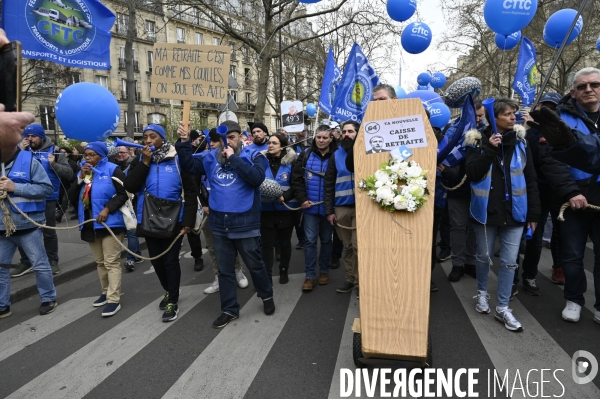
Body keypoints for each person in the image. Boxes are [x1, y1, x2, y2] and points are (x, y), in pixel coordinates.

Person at [175, 120, 274, 329]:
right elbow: (188, 165)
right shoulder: (210, 157)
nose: (226, 142)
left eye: (231, 137)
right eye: (222, 138)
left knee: (255, 265)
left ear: (240, 137)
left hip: (245, 223)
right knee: (225, 270)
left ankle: (266, 296)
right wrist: (183, 142)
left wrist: (235, 160)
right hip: (220, 224)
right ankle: (229, 309)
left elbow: (256, 178)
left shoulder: (254, 156)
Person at [530, 67, 600, 323]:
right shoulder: (559, 118)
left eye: (594, 84)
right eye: (582, 87)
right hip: (573, 198)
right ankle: (573, 299)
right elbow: (551, 160)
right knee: (572, 254)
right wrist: (570, 191)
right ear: (573, 92)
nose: (589, 90)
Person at [465, 97, 540, 332]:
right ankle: (482, 294)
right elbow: (473, 173)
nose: (512, 117)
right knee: (484, 256)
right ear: (494, 117)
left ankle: (503, 307)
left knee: (509, 263)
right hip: (485, 212)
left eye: (513, 114)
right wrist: (489, 149)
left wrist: (534, 213)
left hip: (515, 212)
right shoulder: (476, 141)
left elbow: (531, 179)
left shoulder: (521, 142)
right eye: (507, 114)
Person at [124, 124, 198, 323]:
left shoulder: (177, 158)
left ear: (162, 138)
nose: (148, 140)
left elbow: (191, 191)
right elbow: (130, 186)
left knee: (170, 261)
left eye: (153, 136)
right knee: (156, 261)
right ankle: (168, 290)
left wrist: (188, 220)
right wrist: (144, 163)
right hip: (148, 217)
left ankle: (173, 300)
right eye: (145, 137)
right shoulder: (141, 159)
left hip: (173, 217)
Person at [0, 114, 57, 319]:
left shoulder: (29, 160)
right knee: (1, 269)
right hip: (2, 228)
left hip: (27, 225)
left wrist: (15, 187)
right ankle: (2, 305)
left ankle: (48, 297)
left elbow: (46, 188)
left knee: (40, 265)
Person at [10, 124, 73, 277]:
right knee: (22, 230)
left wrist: (55, 164)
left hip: (47, 198)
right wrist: (19, 152)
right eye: (28, 136)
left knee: (48, 231)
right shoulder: (20, 150)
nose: (29, 139)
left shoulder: (56, 151)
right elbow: (10, 168)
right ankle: (26, 262)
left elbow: (70, 174)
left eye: (33, 136)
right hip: (24, 196)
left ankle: (52, 260)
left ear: (42, 137)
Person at [77, 142, 128, 317]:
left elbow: (125, 193)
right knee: (100, 262)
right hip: (90, 223)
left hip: (111, 223)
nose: (88, 158)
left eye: (92, 154)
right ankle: (105, 292)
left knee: (111, 262)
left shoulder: (113, 169)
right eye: (86, 155)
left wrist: (108, 208)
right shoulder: (85, 172)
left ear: (101, 155)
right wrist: (80, 177)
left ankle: (114, 299)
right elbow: (70, 195)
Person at [442, 100, 486, 282]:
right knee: (458, 228)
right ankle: (458, 264)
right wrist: (446, 171)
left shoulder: (488, 135)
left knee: (475, 228)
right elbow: (447, 160)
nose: (477, 119)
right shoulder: (454, 133)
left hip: (479, 190)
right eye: (473, 116)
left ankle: (471, 262)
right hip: (457, 189)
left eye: (480, 116)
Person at [199, 129, 247, 294]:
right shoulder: (206, 159)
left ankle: (238, 271)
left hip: (226, 211)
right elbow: (197, 183)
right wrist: (204, 204)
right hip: (209, 211)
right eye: (209, 141)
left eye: (215, 141)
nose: (211, 144)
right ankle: (218, 277)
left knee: (231, 245)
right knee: (213, 247)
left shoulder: (228, 159)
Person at [292, 125, 335, 291]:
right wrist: (302, 199)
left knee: (326, 240)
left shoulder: (336, 156)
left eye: (325, 137)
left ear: (331, 138)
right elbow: (296, 179)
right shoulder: (305, 155)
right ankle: (309, 275)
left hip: (328, 208)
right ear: (315, 138)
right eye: (319, 137)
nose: (321, 140)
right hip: (309, 207)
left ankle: (324, 271)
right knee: (310, 242)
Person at [325, 121, 360, 297]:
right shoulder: (335, 155)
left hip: (363, 209)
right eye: (344, 131)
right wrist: (329, 211)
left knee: (358, 246)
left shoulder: (367, 152)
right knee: (347, 247)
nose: (346, 134)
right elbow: (329, 183)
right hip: (342, 208)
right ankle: (350, 279)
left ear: (358, 133)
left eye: (350, 131)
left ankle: (362, 281)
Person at [261, 134, 299, 285]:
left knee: (284, 243)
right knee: (267, 244)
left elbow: (297, 184)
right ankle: (267, 275)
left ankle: (284, 270)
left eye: (274, 143)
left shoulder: (292, 162)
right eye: (269, 143)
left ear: (282, 146)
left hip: (285, 210)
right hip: (266, 210)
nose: (270, 145)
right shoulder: (261, 161)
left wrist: (286, 196)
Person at [111, 145, 143, 272]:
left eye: (122, 152)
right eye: (117, 153)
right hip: (122, 201)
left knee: (131, 230)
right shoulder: (115, 165)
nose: (120, 155)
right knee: (131, 229)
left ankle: (130, 258)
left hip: (132, 200)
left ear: (129, 152)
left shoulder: (133, 163)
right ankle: (137, 254)